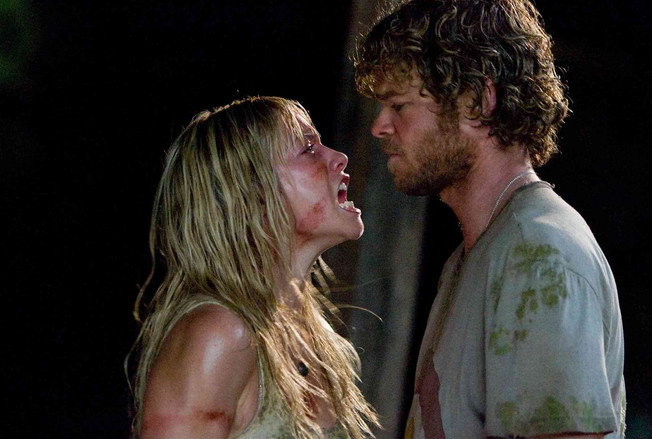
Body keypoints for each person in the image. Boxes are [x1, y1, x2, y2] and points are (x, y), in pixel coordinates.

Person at [354, 0, 625, 438]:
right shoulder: (482, 251)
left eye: (399, 105)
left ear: (479, 101)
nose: (380, 126)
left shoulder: (536, 255)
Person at [129, 96, 379, 438]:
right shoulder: (219, 334)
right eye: (307, 149)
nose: (338, 157)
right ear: (254, 195)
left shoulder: (322, 343)